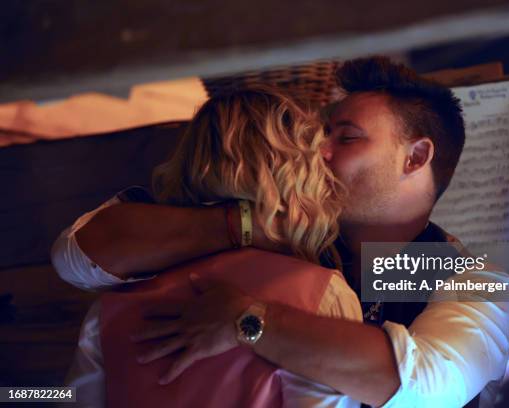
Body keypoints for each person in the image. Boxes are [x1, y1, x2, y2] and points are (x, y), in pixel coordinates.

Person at [52, 57, 509, 407]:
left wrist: (248, 321)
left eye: (346, 137)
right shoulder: (283, 234)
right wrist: (247, 225)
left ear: (415, 158)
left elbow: (426, 391)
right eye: (321, 135)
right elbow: (75, 257)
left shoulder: (470, 279)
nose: (321, 152)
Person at [63, 86, 363, 407]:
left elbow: (70, 399)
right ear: (300, 174)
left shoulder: (110, 310)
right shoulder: (323, 297)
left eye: (346, 139)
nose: (329, 156)